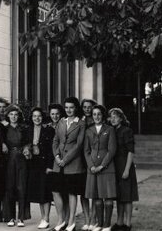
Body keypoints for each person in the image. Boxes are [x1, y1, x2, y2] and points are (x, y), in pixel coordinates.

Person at [52, 98, 86, 231]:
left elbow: (78, 145)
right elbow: (55, 141)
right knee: (56, 191)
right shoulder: (61, 121)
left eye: (71, 107)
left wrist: (65, 159)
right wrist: (57, 156)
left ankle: (71, 221)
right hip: (58, 162)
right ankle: (61, 219)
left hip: (73, 163)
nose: (69, 110)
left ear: (76, 108)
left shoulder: (81, 123)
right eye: (66, 107)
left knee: (71, 192)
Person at [84, 106, 117, 231]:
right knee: (96, 196)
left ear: (102, 115)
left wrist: (102, 166)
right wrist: (91, 166)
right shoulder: (88, 130)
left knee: (107, 196)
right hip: (92, 168)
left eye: (99, 114)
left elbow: (112, 150)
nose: (96, 117)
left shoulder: (109, 129)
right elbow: (86, 151)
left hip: (106, 168)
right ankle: (99, 223)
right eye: (94, 114)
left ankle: (107, 225)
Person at [109, 108, 138, 231]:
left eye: (115, 116)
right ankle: (119, 222)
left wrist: (127, 170)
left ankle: (127, 223)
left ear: (121, 118)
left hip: (125, 166)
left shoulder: (126, 131)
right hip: (115, 166)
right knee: (119, 196)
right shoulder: (111, 131)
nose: (113, 119)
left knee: (127, 197)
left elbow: (131, 151)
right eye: (111, 117)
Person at [27, 107, 55, 229]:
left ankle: (46, 218)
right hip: (33, 163)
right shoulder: (28, 130)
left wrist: (49, 166)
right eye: (34, 116)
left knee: (46, 191)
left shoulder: (48, 130)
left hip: (44, 162)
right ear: (31, 118)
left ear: (42, 117)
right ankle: (42, 217)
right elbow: (25, 145)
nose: (36, 118)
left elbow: (51, 150)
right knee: (39, 191)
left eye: (39, 116)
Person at [4, 105, 31, 227]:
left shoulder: (24, 128)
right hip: (9, 159)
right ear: (8, 116)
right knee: (10, 187)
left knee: (21, 187)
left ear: (19, 116)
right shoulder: (4, 129)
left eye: (16, 114)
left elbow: (28, 142)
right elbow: (1, 142)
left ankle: (21, 218)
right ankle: (10, 217)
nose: (14, 117)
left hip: (21, 159)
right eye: (11, 114)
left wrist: (26, 148)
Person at [46, 104, 67, 231]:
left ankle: (68, 220)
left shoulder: (65, 125)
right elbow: (47, 150)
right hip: (53, 164)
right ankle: (61, 219)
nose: (55, 116)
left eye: (57, 113)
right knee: (56, 192)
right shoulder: (47, 128)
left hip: (65, 162)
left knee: (66, 193)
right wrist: (48, 166)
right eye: (52, 114)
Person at [79, 99, 97, 230]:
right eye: (84, 107)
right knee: (83, 192)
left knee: (95, 191)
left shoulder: (97, 121)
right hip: (80, 160)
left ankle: (93, 220)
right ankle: (86, 220)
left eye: (89, 107)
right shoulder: (79, 121)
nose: (87, 109)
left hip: (93, 158)